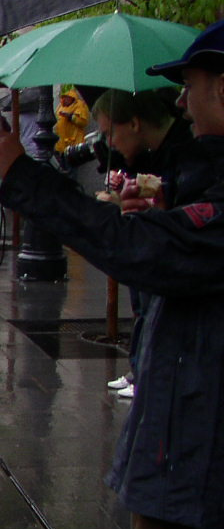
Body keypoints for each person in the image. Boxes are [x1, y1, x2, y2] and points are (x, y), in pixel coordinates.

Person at [0, 19, 224, 529]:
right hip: (191, 453)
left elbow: (153, 252)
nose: (185, 100)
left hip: (199, 469)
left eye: (193, 84)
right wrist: (144, 181)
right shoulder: (201, 169)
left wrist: (28, 178)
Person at [90, 88, 210, 400]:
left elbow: (177, 214)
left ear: (133, 123)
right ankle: (141, 368)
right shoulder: (153, 153)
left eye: (109, 133)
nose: (182, 104)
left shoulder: (187, 152)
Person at [55, 86, 91, 154]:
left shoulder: (79, 105)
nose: (64, 99)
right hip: (61, 146)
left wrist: (70, 117)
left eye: (66, 97)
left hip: (75, 144)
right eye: (63, 97)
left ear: (72, 96)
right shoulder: (60, 107)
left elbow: (83, 122)